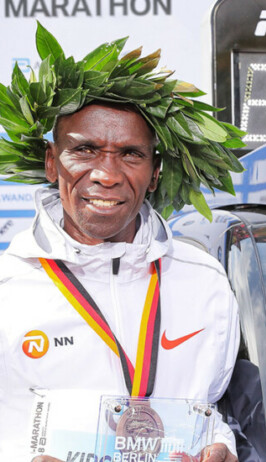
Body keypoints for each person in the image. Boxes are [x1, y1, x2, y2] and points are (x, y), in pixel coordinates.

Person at [0, 24, 245, 462]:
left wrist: (222, 446)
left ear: (154, 173)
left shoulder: (204, 281)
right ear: (52, 163)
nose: (107, 175)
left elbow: (211, 408)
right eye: (85, 150)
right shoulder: (8, 287)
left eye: (131, 154)